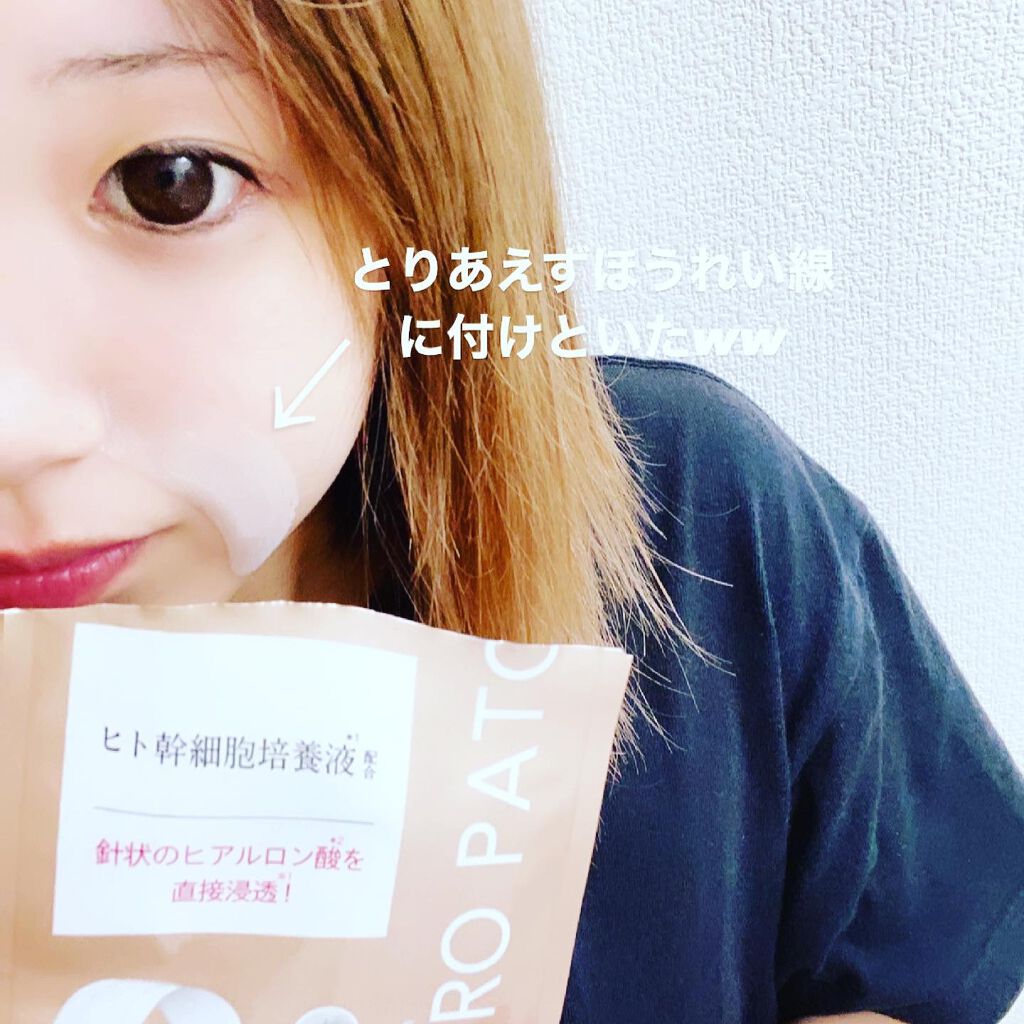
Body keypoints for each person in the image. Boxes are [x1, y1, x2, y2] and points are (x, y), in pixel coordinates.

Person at [1, 0, 1022, 1021]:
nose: (17, 428)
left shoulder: (683, 528)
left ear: (410, 195)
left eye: (168, 183)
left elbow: (906, 974)